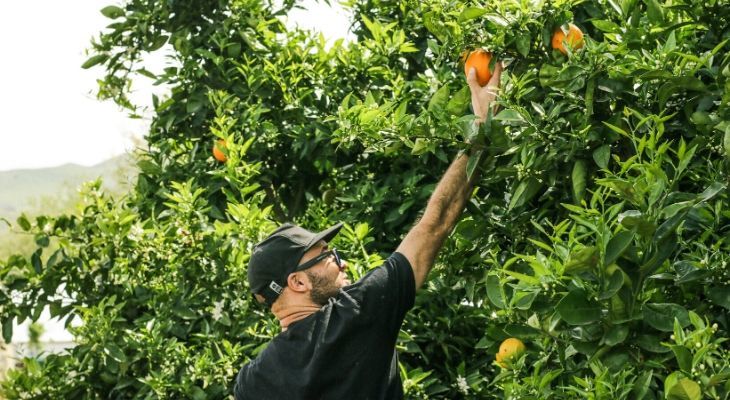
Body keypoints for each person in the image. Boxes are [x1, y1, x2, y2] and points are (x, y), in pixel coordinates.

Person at [233, 62, 503, 400]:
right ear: (298, 281)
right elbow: (435, 224)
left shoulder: (252, 382)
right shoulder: (356, 315)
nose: (342, 262)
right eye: (328, 256)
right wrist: (482, 126)